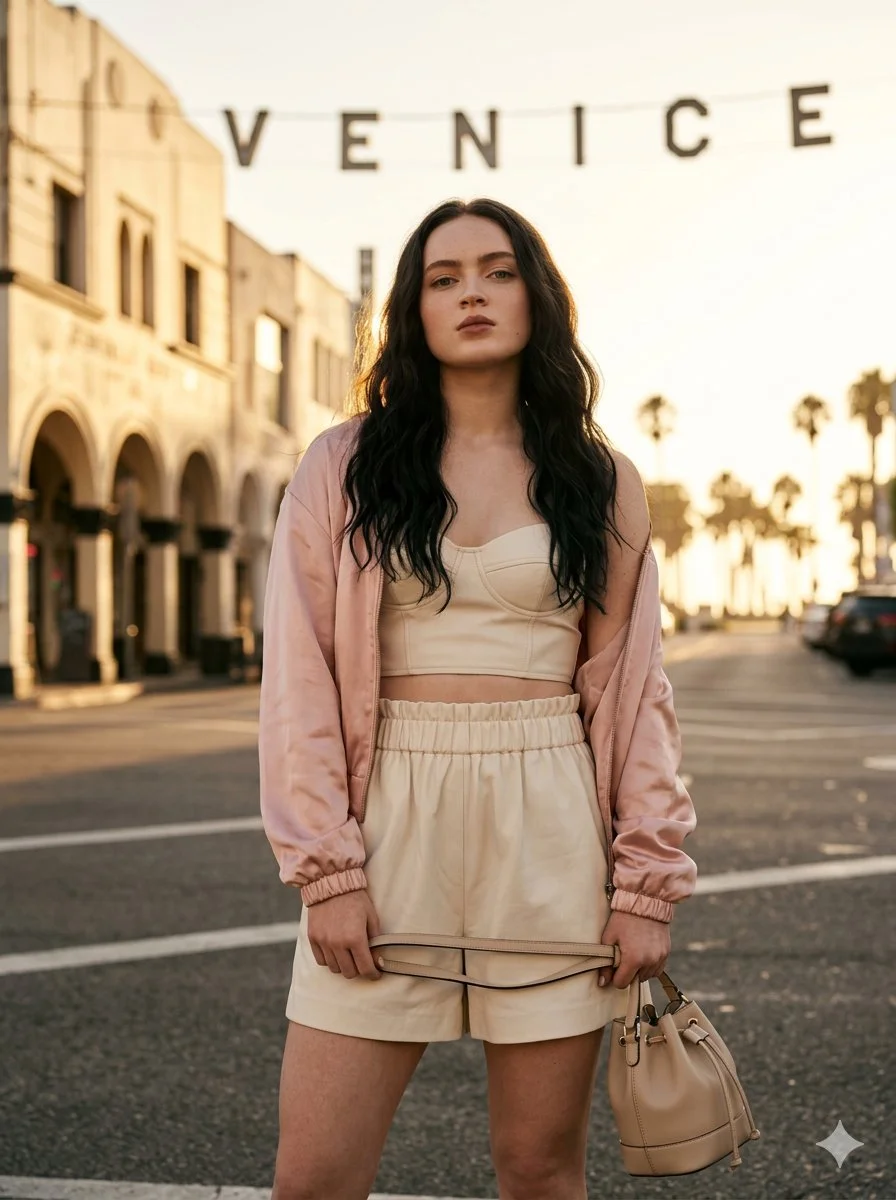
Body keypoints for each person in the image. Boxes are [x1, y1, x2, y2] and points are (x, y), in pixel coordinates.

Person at [259, 197, 697, 1200]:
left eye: (495, 272)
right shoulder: (343, 465)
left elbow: (633, 698)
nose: (469, 295)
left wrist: (643, 886)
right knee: (314, 1176)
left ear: (535, 297)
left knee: (538, 1170)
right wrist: (326, 870)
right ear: (412, 311)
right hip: (387, 820)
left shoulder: (598, 479)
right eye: (442, 278)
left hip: (547, 821)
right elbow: (299, 680)